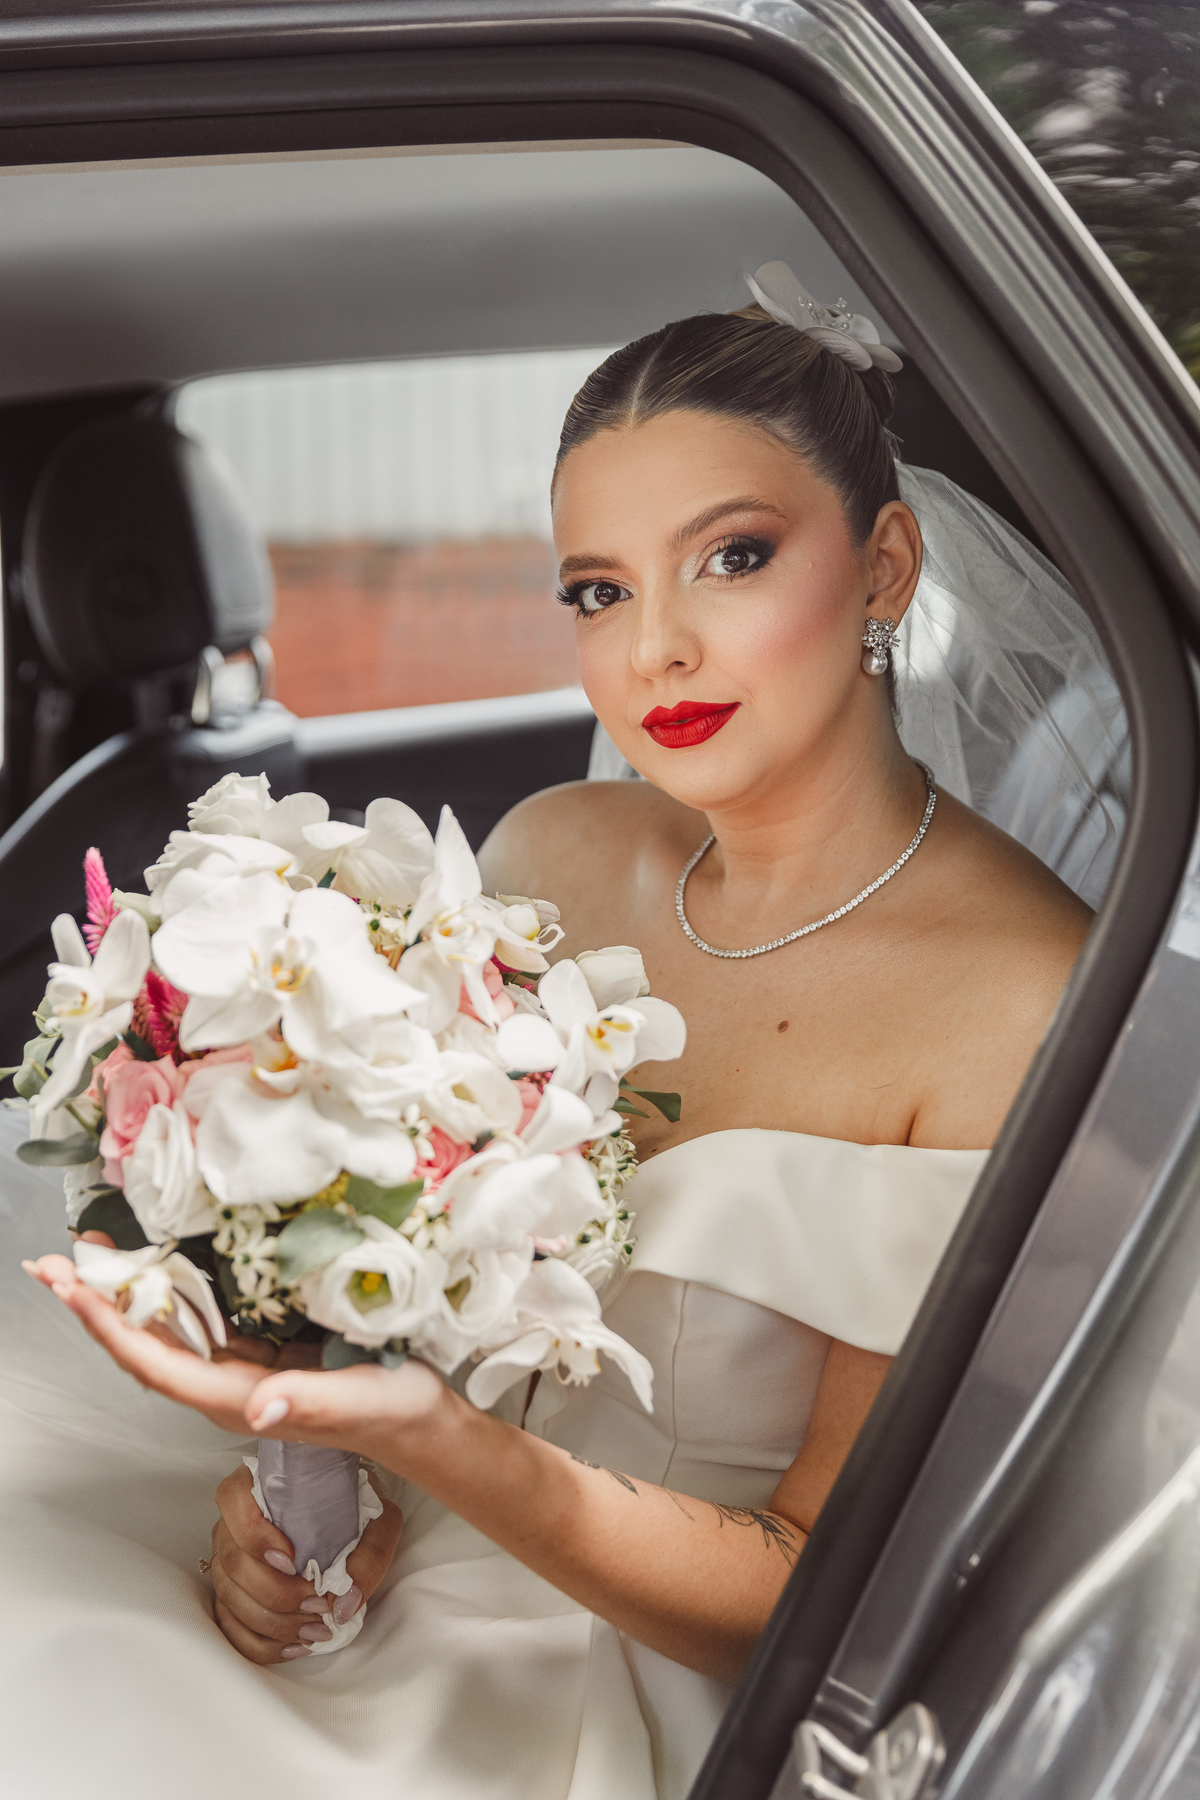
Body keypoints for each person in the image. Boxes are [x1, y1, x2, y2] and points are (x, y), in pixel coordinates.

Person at [13, 269, 1093, 1800]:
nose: (652, 648)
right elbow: (425, 1304)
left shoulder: (1021, 1003)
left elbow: (824, 1585)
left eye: (730, 556)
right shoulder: (550, 860)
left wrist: (447, 1455)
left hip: (643, 1680)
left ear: (886, 565)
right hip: (416, 1553)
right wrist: (320, 1499)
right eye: (598, 588)